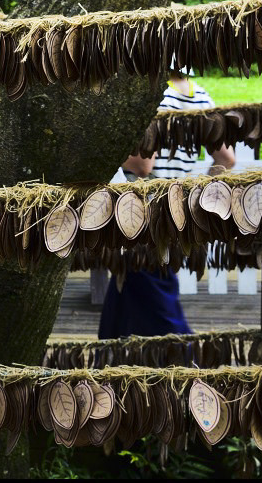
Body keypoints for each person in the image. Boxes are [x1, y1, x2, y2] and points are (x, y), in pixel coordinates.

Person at [98, 69, 235, 338]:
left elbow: (142, 165)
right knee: (123, 300)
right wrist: (196, 199)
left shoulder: (156, 96)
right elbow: (227, 159)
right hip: (175, 213)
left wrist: (101, 148)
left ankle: (191, 364)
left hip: (143, 217)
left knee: (160, 307)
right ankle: (109, 359)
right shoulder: (200, 97)